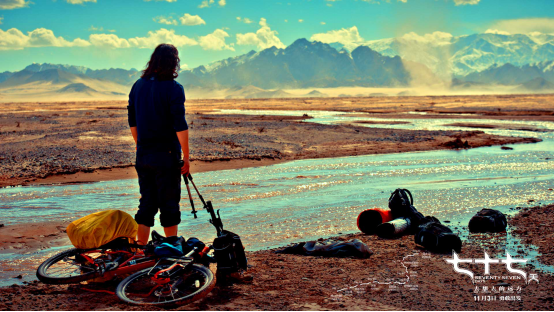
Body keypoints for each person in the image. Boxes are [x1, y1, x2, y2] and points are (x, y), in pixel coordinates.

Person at [127, 43, 190, 245]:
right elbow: (180, 125)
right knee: (169, 204)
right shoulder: (174, 88)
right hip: (167, 155)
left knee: (146, 203)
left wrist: (140, 146)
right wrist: (186, 158)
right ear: (174, 63)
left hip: (143, 154)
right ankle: (171, 251)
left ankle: (140, 250)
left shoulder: (138, 85)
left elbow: (132, 120)